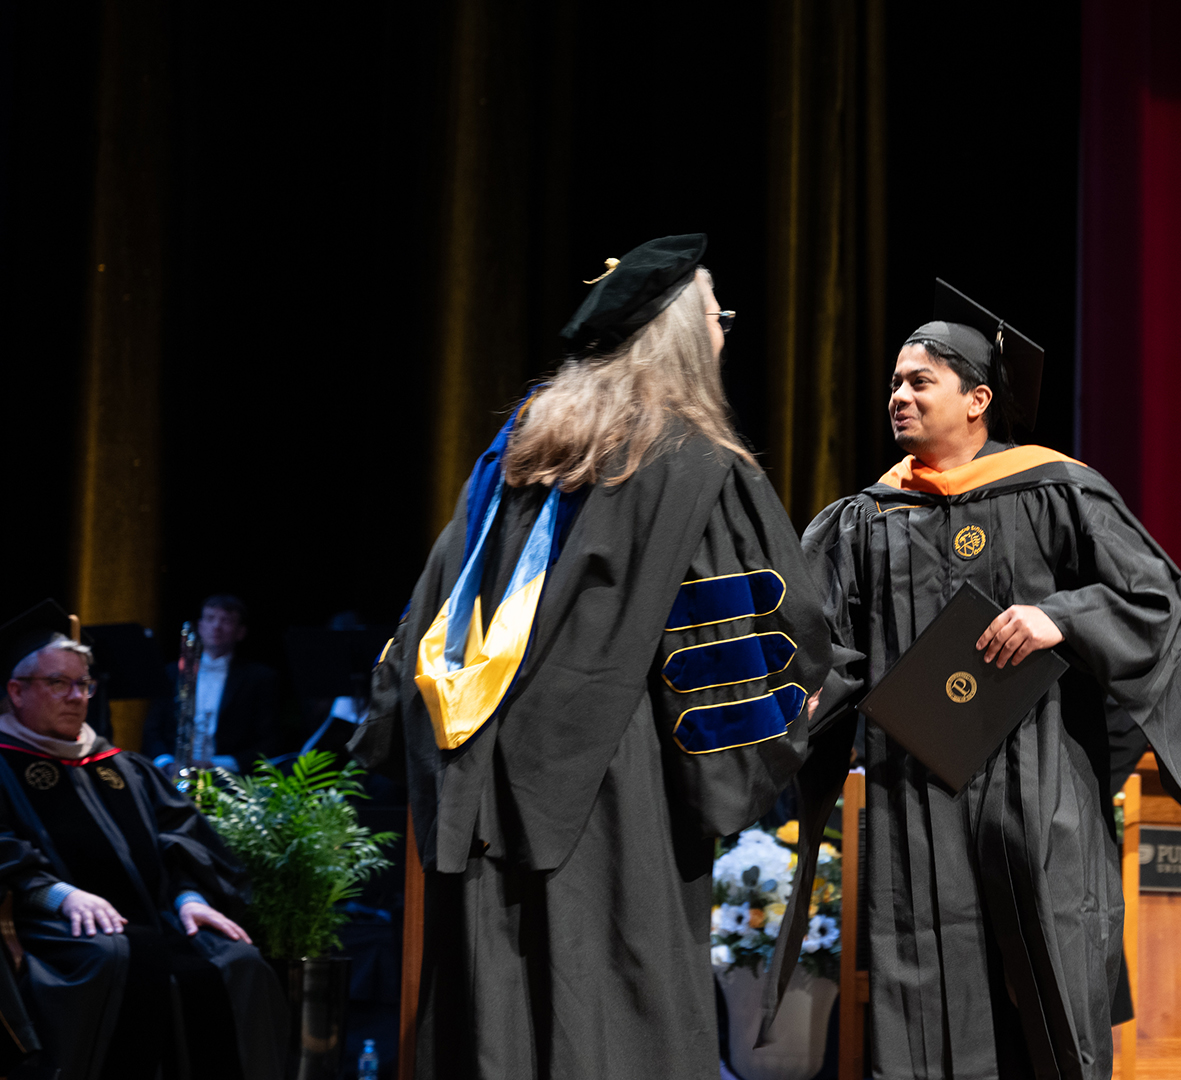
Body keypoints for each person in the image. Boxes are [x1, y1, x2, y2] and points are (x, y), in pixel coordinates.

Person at [794, 280, 1181, 1080]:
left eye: (919, 382)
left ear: (977, 400)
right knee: (922, 983)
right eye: (897, 382)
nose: (898, 395)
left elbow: (1154, 596)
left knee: (1051, 972)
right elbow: (828, 649)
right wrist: (804, 696)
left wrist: (1064, 617)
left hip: (1037, 781)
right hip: (916, 792)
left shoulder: (1056, 490)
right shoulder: (867, 519)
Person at [350, 234, 833, 1080]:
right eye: (717, 316)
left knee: (490, 1022)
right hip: (620, 797)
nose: (725, 332)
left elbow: (427, 624)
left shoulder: (514, 457)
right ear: (685, 333)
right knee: (613, 1012)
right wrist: (808, 701)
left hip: (485, 796)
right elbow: (745, 640)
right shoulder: (696, 467)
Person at [0, 600, 284, 1080]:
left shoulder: (122, 767)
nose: (76, 697)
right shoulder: (5, 765)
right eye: (58, 683)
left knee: (239, 959)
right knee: (113, 956)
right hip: (50, 930)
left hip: (158, 918)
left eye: (83, 684)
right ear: (16, 691)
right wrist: (60, 896)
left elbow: (179, 834)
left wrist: (190, 896)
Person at [144, 594, 281, 766]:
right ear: (200, 626)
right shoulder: (172, 672)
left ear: (240, 632)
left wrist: (219, 765)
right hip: (171, 772)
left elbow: (269, 740)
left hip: (230, 777)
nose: (216, 626)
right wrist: (166, 763)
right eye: (210, 618)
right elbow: (153, 730)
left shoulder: (260, 678)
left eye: (226, 621)